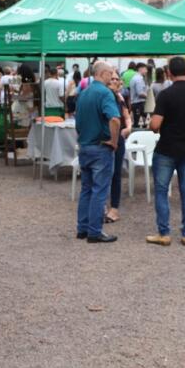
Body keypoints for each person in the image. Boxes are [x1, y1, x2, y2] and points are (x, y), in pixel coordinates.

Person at [147, 57, 185, 246]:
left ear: (169, 73)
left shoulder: (166, 95)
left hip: (166, 149)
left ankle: (164, 233)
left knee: (162, 191)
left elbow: (155, 125)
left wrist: (152, 125)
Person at [75, 61, 120, 243]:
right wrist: (114, 141)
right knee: (99, 190)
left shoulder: (83, 93)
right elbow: (115, 120)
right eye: (110, 73)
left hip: (84, 146)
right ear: (102, 73)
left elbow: (78, 123)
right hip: (100, 147)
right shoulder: (105, 93)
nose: (112, 77)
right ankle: (94, 231)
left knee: (86, 189)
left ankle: (82, 228)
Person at [105, 70, 132, 223]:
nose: (115, 81)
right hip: (105, 139)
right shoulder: (104, 96)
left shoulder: (120, 98)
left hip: (118, 139)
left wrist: (128, 128)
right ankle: (102, 206)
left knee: (116, 173)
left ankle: (114, 208)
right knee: (103, 174)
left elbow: (127, 117)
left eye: (117, 79)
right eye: (112, 78)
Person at [129, 63, 148, 127]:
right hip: (138, 104)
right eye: (145, 69)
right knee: (139, 123)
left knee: (138, 122)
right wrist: (149, 97)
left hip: (135, 104)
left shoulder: (134, 78)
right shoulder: (139, 79)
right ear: (140, 69)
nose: (146, 71)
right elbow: (140, 93)